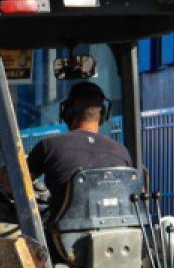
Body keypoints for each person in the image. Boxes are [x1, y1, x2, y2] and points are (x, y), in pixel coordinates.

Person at [26, 81, 133, 215]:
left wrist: (6, 175)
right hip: (119, 232)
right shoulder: (121, 151)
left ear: (68, 113)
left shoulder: (48, 146)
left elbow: (15, 186)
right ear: (103, 115)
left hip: (63, 234)